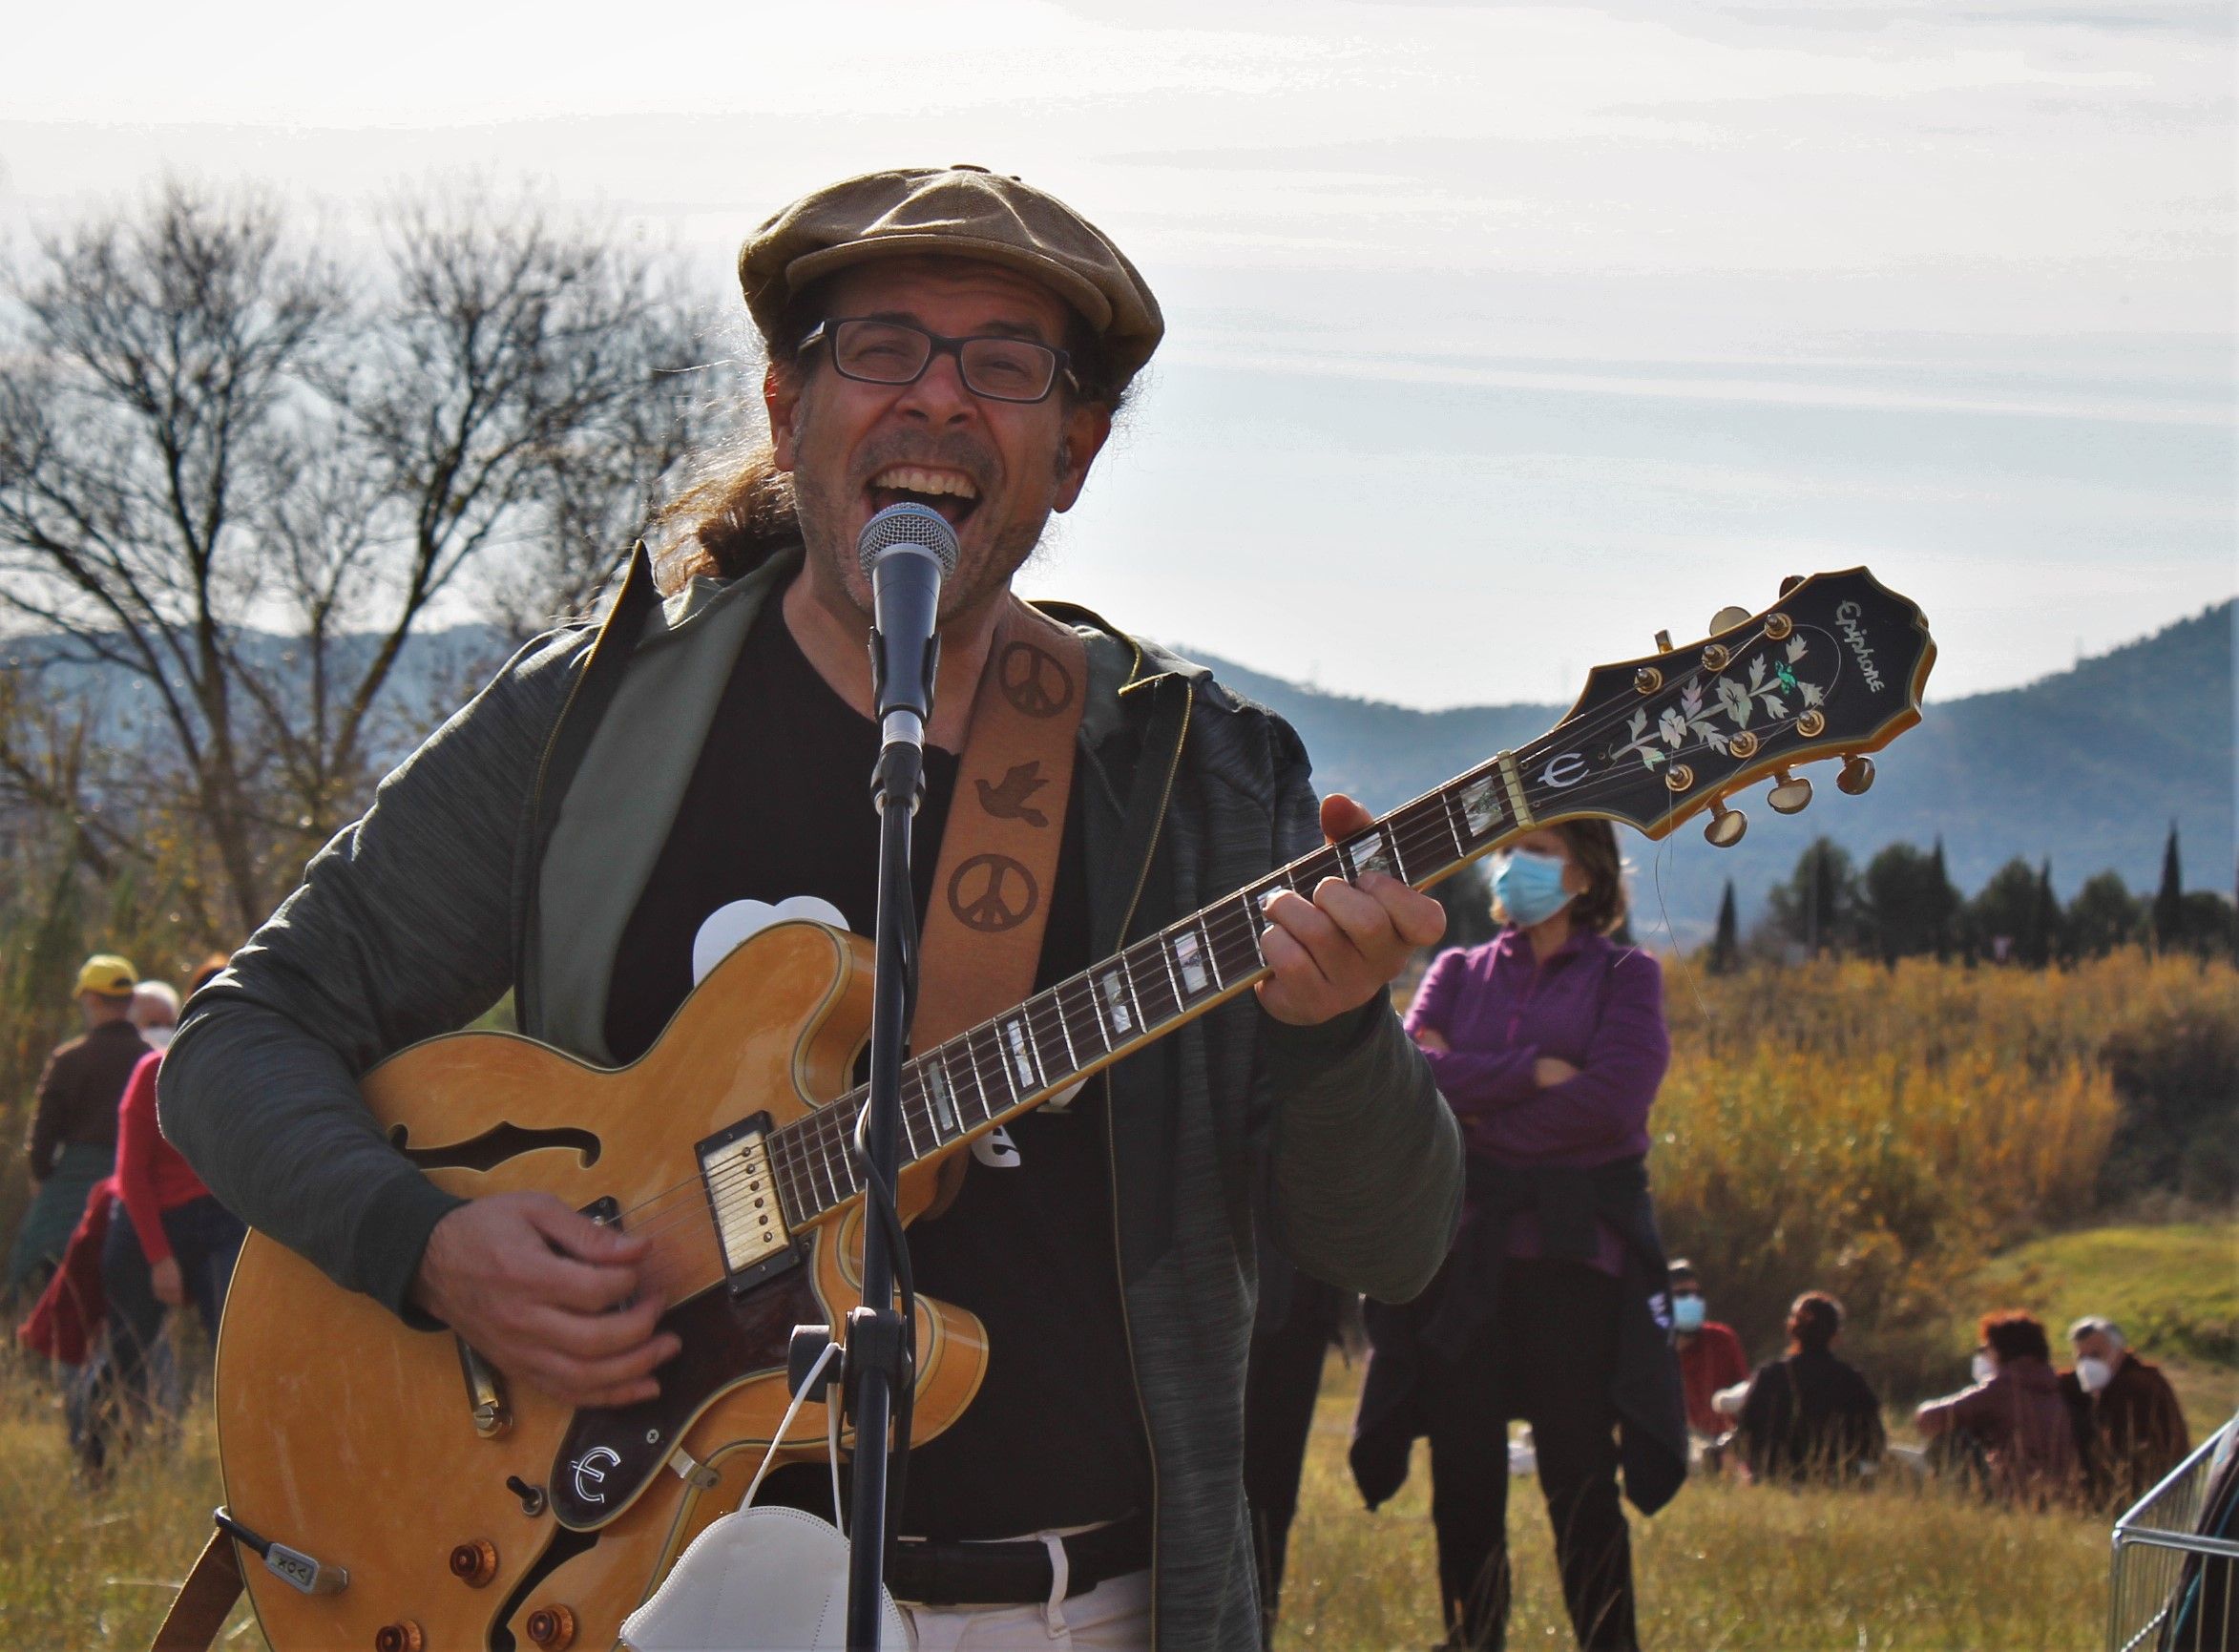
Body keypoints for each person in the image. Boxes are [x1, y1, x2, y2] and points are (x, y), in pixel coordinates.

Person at [160, 166, 1464, 1651]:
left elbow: (1395, 1241)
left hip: (1088, 1603)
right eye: (882, 346)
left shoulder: (1205, 782)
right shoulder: (585, 727)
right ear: (789, 412)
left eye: (1006, 364)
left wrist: (1336, 1031)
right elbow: (238, 1039)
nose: (938, 400)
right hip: (648, 1590)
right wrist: (425, 1243)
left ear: (1074, 450)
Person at [1353, 823, 1686, 1652]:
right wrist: (1529, 1073)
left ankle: (1607, 1639)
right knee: (1463, 1470)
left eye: (1540, 851)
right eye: (1513, 849)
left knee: (1578, 1469)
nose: (1515, 865)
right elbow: (1406, 1075)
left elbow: (1613, 1101)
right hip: (1463, 1256)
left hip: (1573, 1259)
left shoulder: (1624, 975)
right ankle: (1473, 1638)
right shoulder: (1459, 971)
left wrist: (1474, 1116)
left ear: (1588, 874)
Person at [101, 962, 246, 1443]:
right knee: (128, 1355)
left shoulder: (249, 1073)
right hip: (152, 1223)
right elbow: (131, 1177)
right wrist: (159, 1258)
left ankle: (253, 1457)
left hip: (221, 1222)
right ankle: (102, 1459)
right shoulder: (154, 1073)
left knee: (241, 1348)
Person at [6, 956, 149, 1304]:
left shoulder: (69, 1060)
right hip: (134, 1185)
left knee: (49, 1269)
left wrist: (44, 1176)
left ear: (92, 1000)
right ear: (129, 1002)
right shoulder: (150, 1060)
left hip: (74, 1187)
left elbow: (42, 1138)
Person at [1915, 1309, 2079, 1504]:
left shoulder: (2001, 1388)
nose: (1983, 1356)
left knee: (1950, 1440)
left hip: (2011, 1495)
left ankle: (1957, 1503)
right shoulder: (2054, 1385)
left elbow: (1929, 1419)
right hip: (2061, 1497)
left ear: (2000, 1350)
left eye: (1985, 1349)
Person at [1733, 1291, 1883, 1484]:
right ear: (1836, 1335)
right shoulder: (1852, 1381)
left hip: (1772, 1480)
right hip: (1834, 1482)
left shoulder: (1769, 1376)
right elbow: (1875, 1445)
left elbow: (1744, 1434)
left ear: (1791, 1329)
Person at [2060, 1315, 2189, 1508]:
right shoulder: (2107, 1385)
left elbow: (2131, 1458)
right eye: (2081, 1357)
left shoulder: (2138, 1388)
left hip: (2149, 1501)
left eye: (2095, 1356)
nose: (2086, 1365)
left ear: (2118, 1353)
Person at [1666, 1259, 1748, 1446]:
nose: (1691, 1300)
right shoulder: (1653, 1350)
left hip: (1724, 1448)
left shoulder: (1722, 1340)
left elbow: (1744, 1398)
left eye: (1697, 1294)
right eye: (1682, 1294)